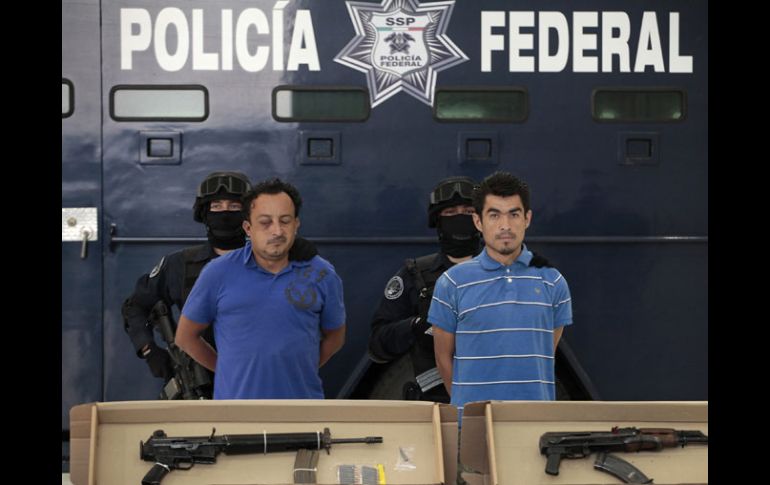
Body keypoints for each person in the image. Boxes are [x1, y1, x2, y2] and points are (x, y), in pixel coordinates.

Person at [121, 171, 317, 397]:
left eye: (234, 207)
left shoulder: (279, 260)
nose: (225, 213)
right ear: (204, 213)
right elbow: (135, 307)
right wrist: (149, 350)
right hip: (198, 385)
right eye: (216, 206)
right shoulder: (180, 265)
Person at [366, 176, 554, 402]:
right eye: (450, 213)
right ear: (437, 221)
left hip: (499, 401)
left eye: (467, 212)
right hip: (435, 406)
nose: (459, 218)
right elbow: (378, 346)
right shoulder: (415, 276)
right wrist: (416, 326)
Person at [175, 177, 346, 399]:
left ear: (296, 225)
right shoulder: (217, 273)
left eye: (285, 221)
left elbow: (336, 337)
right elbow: (185, 338)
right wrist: (227, 371)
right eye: (265, 222)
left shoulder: (322, 273)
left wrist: (302, 371)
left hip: (302, 409)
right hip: (235, 411)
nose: (277, 231)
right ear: (248, 228)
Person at [429, 171, 573, 415]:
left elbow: (543, 353)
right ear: (478, 221)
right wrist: (468, 411)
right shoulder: (450, 283)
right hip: (475, 425)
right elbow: (443, 359)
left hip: (535, 422)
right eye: (494, 215)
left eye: (514, 214)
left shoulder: (553, 282)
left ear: (527, 219)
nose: (505, 225)